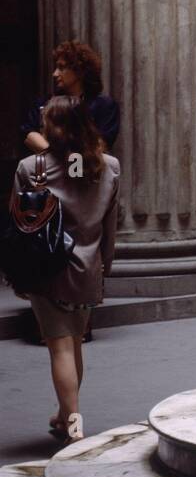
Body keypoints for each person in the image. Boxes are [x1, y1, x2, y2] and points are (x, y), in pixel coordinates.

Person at [11, 96, 120, 442]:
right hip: (88, 268)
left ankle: (74, 429)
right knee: (73, 345)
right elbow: (110, 225)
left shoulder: (32, 168)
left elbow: (18, 227)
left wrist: (17, 275)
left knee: (59, 348)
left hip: (49, 269)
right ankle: (64, 416)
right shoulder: (109, 166)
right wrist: (106, 264)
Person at [21, 40, 120, 154]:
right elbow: (29, 135)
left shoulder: (104, 105)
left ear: (79, 70)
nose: (55, 74)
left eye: (61, 67)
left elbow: (101, 144)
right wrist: (57, 159)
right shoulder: (44, 103)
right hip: (53, 168)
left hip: (87, 168)